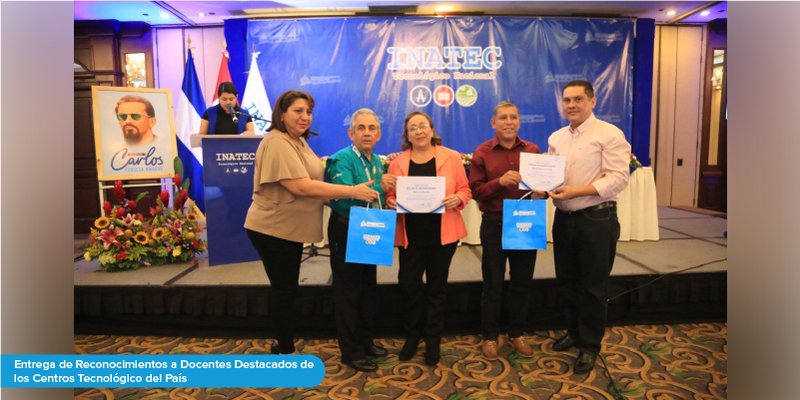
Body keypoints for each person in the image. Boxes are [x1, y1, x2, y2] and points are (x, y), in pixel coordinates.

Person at [243, 90, 379, 355]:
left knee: (287, 290)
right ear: (282, 114)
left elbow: (319, 187)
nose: (305, 117)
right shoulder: (277, 142)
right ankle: (285, 350)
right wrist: (351, 192)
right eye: (298, 111)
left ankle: (283, 342)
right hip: (273, 229)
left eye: (308, 112)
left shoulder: (299, 141)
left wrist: (354, 201)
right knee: (284, 291)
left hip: (289, 230)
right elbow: (301, 187)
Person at [545, 80, 630, 374]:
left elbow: (618, 178)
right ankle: (574, 331)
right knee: (567, 283)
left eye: (578, 99)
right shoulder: (556, 137)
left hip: (597, 219)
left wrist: (577, 191)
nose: (571, 105)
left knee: (593, 287)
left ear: (592, 102)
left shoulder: (609, 133)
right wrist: (540, 184)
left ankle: (590, 346)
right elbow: (551, 175)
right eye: (567, 100)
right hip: (563, 220)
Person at [386, 111, 472, 366]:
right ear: (407, 135)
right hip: (410, 235)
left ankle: (433, 338)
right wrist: (391, 202)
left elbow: (465, 189)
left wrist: (459, 199)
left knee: (437, 288)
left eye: (423, 126)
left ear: (432, 130)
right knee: (410, 287)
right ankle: (412, 335)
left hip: (442, 235)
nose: (419, 131)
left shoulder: (452, 157)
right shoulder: (397, 161)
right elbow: (390, 194)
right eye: (413, 128)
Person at [469, 101, 546, 361]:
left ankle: (517, 333)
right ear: (494, 123)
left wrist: (542, 193)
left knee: (522, 283)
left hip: (526, 221)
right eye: (503, 117)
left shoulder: (533, 150)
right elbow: (475, 192)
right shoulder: (482, 153)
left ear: (519, 122)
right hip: (495, 223)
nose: (509, 121)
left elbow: (545, 188)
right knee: (493, 284)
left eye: (513, 117)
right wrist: (499, 182)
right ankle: (490, 336)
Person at [324, 108, 397, 372]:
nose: (367, 133)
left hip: (371, 229)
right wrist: (381, 188)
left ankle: (366, 341)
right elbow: (342, 199)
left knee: (368, 290)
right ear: (351, 132)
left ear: (378, 134)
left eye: (372, 128)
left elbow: (375, 197)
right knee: (348, 293)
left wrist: (388, 200)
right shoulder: (340, 159)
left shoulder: (377, 161)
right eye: (361, 128)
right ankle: (351, 351)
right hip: (346, 230)